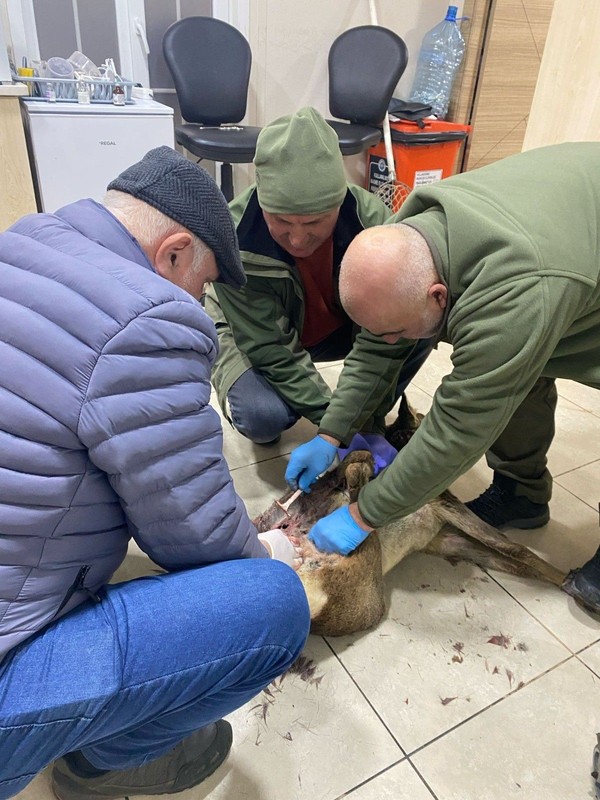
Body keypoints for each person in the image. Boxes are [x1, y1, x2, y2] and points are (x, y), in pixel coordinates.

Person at [0, 146, 310, 800]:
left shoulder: (23, 241)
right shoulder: (149, 315)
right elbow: (193, 534)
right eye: (200, 285)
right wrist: (273, 552)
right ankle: (102, 763)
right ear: (171, 253)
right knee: (272, 605)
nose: (199, 302)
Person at [284, 141, 600, 615]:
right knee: (518, 372)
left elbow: (458, 430)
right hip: (563, 236)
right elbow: (375, 342)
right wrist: (331, 432)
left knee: (498, 374)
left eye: (398, 333)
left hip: (556, 263)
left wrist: (363, 516)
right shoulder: (408, 237)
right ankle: (522, 494)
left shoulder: (514, 293)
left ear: (437, 295)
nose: (390, 342)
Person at [204, 106, 433, 445]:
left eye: (313, 223)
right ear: (262, 203)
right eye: (280, 221)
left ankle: (369, 417)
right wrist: (335, 428)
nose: (297, 239)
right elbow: (270, 346)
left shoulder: (375, 226)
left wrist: (357, 423)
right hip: (252, 331)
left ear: (339, 202)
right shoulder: (234, 241)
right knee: (263, 416)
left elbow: (382, 344)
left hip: (333, 327)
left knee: (416, 320)